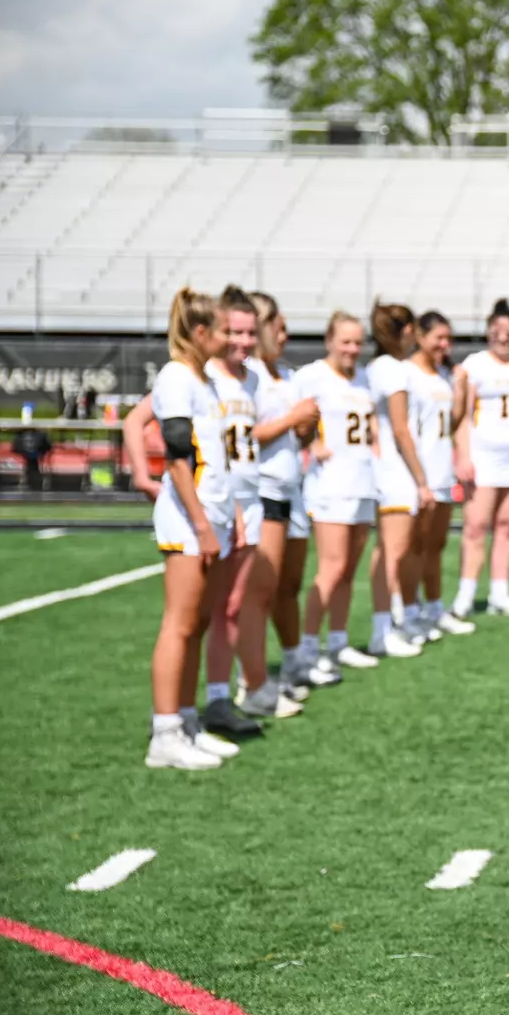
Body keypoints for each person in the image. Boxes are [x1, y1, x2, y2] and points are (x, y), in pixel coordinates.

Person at [136, 289, 241, 769]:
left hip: (213, 514)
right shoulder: (176, 377)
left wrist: (230, 513)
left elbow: (216, 458)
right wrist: (202, 525)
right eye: (223, 329)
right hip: (188, 518)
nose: (230, 337)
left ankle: (187, 719)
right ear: (200, 334)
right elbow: (178, 458)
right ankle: (165, 733)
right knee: (179, 625)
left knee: (199, 623)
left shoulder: (206, 379)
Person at [205, 286, 300, 722]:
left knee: (248, 599)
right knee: (223, 607)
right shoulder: (211, 375)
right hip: (233, 497)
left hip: (262, 495)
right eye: (235, 332)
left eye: (250, 332)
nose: (245, 341)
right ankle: (237, 690)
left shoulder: (255, 377)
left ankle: (244, 686)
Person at [242, 292, 324, 694]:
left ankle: (292, 661)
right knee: (261, 589)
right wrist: (294, 419)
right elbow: (244, 436)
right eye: (280, 326)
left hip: (293, 489)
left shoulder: (288, 377)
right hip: (264, 490)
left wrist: (306, 428)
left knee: (289, 584)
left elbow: (298, 440)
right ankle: (252, 679)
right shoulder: (248, 375)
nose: (285, 336)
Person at [296, 312, 380, 685]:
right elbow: (294, 418)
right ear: (330, 340)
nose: (352, 349)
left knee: (348, 570)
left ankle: (339, 641)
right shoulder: (312, 375)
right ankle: (308, 648)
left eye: (357, 342)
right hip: (330, 485)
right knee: (330, 568)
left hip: (362, 481)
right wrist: (313, 443)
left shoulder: (364, 378)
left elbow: (371, 425)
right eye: (345, 341)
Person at [454, 298, 509, 619]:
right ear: (488, 332)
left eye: (508, 331)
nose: (503, 337)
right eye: (497, 330)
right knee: (476, 527)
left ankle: (499, 593)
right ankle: (465, 595)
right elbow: (461, 416)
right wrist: (463, 456)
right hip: (484, 458)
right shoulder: (474, 365)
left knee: (507, 526)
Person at [366, 300, 434, 658]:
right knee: (392, 553)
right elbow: (401, 430)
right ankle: (383, 628)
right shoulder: (392, 369)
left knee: (393, 552)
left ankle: (391, 622)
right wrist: (422, 480)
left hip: (393, 469)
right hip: (394, 472)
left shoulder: (385, 367)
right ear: (405, 330)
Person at [407, 310, 475, 637]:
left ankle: (434, 608)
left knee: (434, 547)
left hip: (442, 470)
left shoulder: (442, 375)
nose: (445, 345)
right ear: (420, 336)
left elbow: (450, 423)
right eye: (439, 338)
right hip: (419, 474)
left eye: (449, 339)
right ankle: (407, 609)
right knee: (413, 547)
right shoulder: (408, 374)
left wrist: (460, 390)